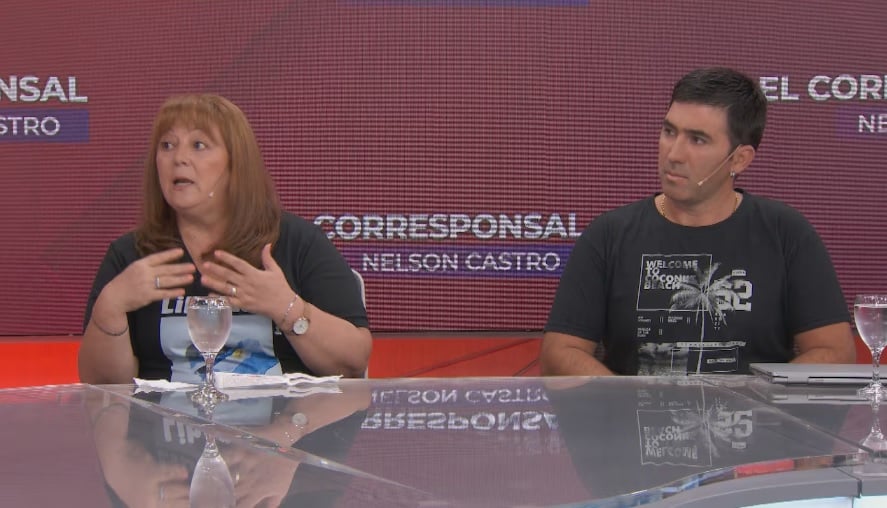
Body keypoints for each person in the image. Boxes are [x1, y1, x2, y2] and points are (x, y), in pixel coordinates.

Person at [541, 67, 855, 376]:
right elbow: (560, 354)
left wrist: (758, 399)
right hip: (630, 411)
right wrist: (624, 403)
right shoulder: (608, 235)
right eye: (669, 131)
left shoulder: (786, 234)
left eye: (698, 140)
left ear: (739, 159)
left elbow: (835, 353)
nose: (673, 154)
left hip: (758, 410)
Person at [79, 94, 371, 384]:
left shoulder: (297, 243)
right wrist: (111, 307)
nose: (178, 158)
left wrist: (286, 308)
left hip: (287, 414)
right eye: (167, 145)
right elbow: (102, 389)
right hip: (161, 414)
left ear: (236, 163)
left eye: (198, 145)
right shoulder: (131, 254)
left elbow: (353, 362)